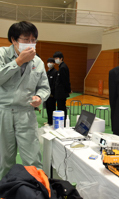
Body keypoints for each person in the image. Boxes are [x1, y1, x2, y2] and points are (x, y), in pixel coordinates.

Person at [0, 21, 50, 179]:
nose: (30, 44)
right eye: (26, 40)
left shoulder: (38, 62)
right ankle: (5, 191)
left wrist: (39, 97)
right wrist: (18, 61)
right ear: (14, 40)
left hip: (26, 113)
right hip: (4, 112)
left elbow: (44, 87)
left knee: (33, 159)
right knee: (4, 160)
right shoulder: (2, 54)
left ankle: (36, 191)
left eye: (33, 40)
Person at [53, 51, 71, 123]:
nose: (56, 59)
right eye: (55, 58)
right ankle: (61, 122)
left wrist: (68, 90)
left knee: (62, 108)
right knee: (60, 107)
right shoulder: (61, 67)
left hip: (61, 93)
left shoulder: (63, 67)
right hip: (59, 93)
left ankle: (63, 123)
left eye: (57, 58)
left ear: (61, 58)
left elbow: (65, 80)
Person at [45, 58, 58, 125]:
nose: (49, 63)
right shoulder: (47, 72)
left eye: (51, 62)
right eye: (48, 62)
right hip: (46, 94)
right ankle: (49, 121)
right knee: (47, 108)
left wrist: (52, 93)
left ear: (54, 63)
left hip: (52, 95)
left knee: (52, 108)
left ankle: (52, 122)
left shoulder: (55, 72)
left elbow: (55, 84)